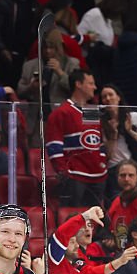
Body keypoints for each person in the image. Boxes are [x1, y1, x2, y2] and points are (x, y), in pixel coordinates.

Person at [45, 69, 106, 206]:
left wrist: (102, 164)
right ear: (78, 84)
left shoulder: (91, 111)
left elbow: (97, 141)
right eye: (91, 83)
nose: (95, 87)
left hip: (97, 176)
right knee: (73, 217)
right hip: (75, 177)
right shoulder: (62, 112)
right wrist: (64, 173)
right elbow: (54, 146)